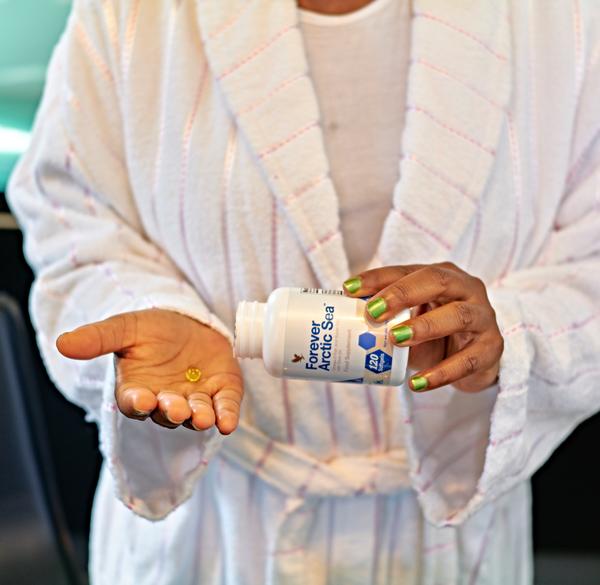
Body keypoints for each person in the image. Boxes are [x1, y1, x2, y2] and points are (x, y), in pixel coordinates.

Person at [7, 0, 600, 583]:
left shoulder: (568, 22)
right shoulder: (129, 14)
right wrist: (154, 313)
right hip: (210, 527)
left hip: (443, 537)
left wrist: (505, 340)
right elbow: (70, 215)